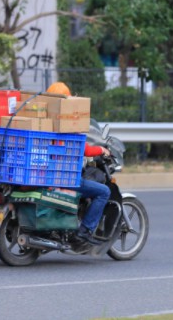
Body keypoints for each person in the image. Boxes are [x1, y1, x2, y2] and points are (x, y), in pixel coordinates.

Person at [46, 81, 111, 246]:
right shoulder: (68, 125)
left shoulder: (44, 124)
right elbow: (86, 150)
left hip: (45, 175)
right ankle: (85, 231)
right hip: (65, 178)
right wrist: (102, 150)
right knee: (103, 192)